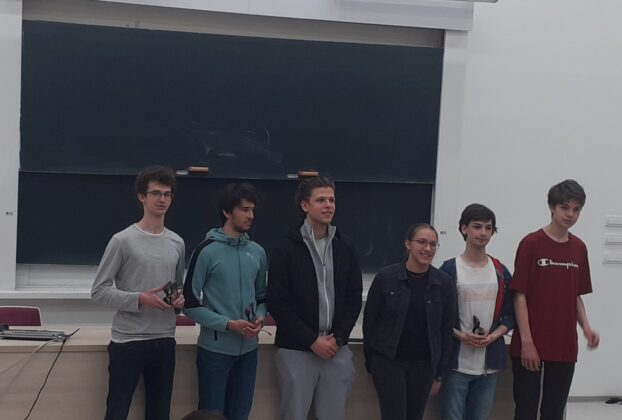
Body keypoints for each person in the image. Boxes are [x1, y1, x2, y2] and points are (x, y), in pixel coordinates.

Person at [91, 165, 185, 420]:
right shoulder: (122, 240)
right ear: (142, 197)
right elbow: (99, 291)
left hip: (165, 339)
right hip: (128, 341)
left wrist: (179, 301)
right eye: (156, 193)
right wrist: (139, 298)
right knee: (117, 411)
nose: (162, 199)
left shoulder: (177, 242)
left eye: (167, 194)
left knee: (160, 413)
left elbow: (177, 287)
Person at [267, 176, 362, 420]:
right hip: (297, 349)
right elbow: (277, 302)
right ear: (305, 205)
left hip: (335, 349)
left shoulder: (346, 246)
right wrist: (311, 340)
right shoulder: (285, 248)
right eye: (321, 200)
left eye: (332, 200)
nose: (329, 205)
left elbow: (354, 297)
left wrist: (338, 337)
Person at [510, 179, 600, 420]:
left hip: (564, 345)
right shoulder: (531, 243)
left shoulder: (579, 248)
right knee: (526, 412)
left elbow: (575, 295)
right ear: (551, 207)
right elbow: (519, 294)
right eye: (565, 207)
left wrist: (586, 327)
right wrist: (527, 342)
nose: (570, 214)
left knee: (554, 412)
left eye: (576, 209)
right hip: (530, 344)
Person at [182, 183, 267, 420]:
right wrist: (228, 324)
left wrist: (260, 317)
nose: (251, 215)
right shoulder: (206, 251)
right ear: (227, 212)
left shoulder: (257, 252)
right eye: (245, 209)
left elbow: (262, 296)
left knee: (240, 415)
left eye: (252, 209)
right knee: (211, 416)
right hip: (215, 353)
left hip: (248, 352)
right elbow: (189, 303)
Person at [363, 223, 456, 420]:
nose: (428, 248)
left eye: (433, 244)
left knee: (415, 416)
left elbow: (446, 330)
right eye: (422, 242)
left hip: (424, 365)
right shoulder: (385, 278)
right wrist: (371, 364)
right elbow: (370, 323)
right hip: (388, 361)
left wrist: (439, 374)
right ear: (408, 244)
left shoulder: (444, 283)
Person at [439, 204, 515, 420]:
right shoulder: (449, 270)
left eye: (488, 228)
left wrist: (494, 335)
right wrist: (460, 335)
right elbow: (437, 316)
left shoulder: (499, 271)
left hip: (488, 364)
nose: (483, 233)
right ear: (464, 229)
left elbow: (510, 315)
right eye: (477, 226)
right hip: (456, 362)